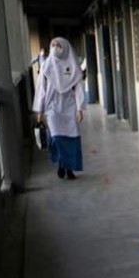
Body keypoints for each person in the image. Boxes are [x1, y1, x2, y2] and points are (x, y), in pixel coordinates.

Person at [32, 37, 85, 180]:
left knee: (70, 139)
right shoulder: (46, 66)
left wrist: (79, 108)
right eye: (53, 45)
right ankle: (62, 164)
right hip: (52, 108)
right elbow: (41, 90)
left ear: (66, 47)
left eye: (58, 45)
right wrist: (40, 111)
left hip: (69, 108)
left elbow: (79, 88)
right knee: (57, 138)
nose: (55, 47)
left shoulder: (72, 66)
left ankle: (68, 169)